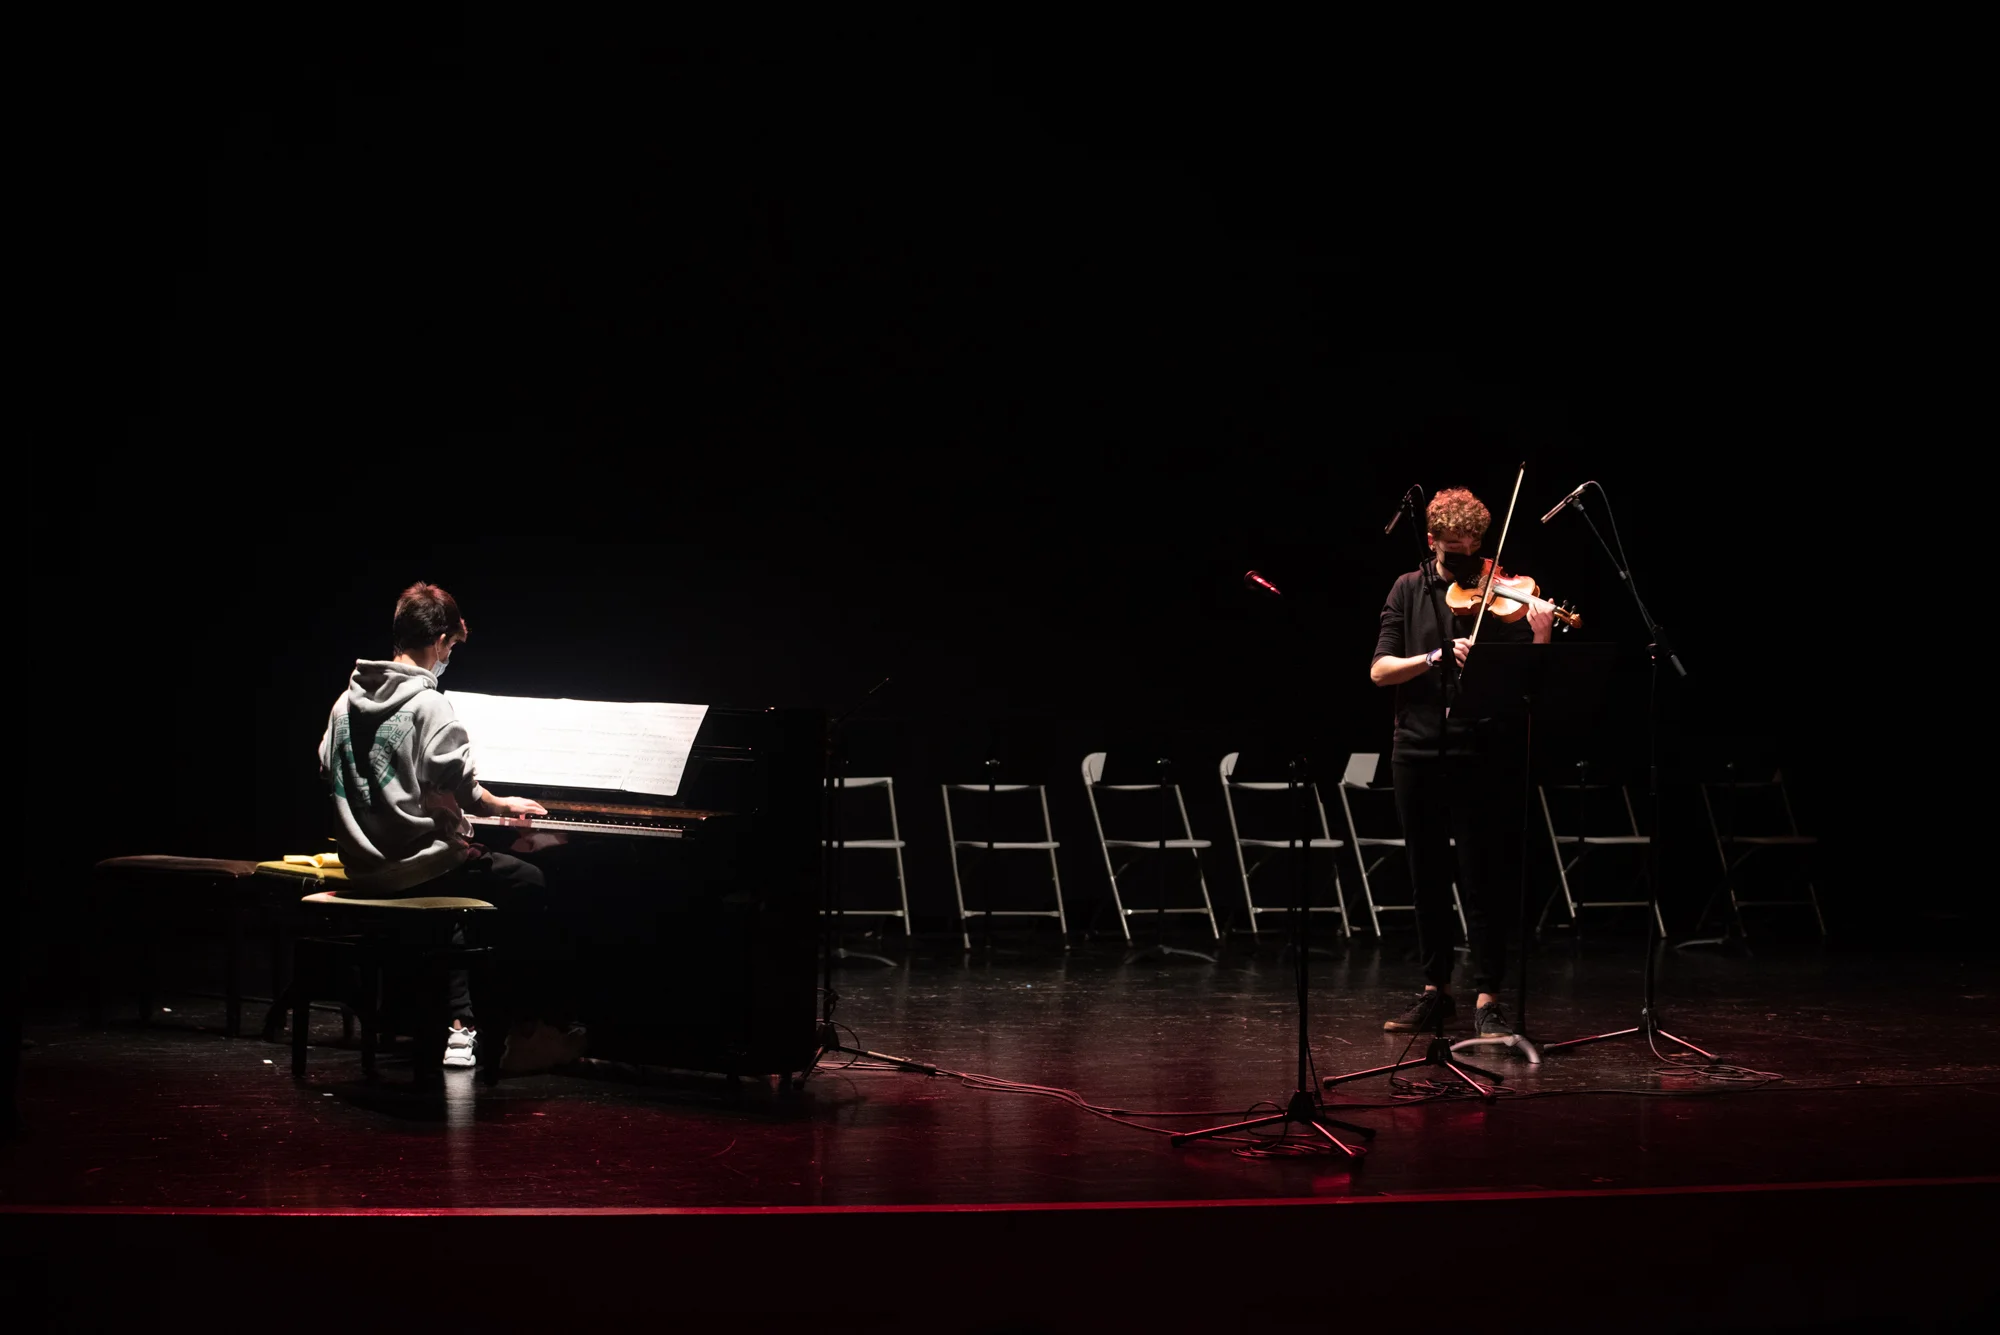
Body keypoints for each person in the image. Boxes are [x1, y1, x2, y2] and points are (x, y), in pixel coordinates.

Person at [318, 582, 582, 1074]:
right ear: (440, 641)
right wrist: (501, 804)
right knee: (530, 882)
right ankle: (521, 1028)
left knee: (461, 902)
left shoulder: (343, 704)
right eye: (452, 648)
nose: (448, 659)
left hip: (363, 868)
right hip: (416, 869)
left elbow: (328, 770)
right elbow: (464, 789)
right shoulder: (430, 704)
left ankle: (456, 1020)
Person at [1369, 488, 1552, 1036]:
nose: (1467, 562)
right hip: (1417, 746)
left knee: (1483, 876)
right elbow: (1380, 670)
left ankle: (1488, 997)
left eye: (1474, 549)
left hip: (1482, 747)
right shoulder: (1407, 588)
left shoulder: (1501, 591)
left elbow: (1530, 681)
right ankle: (1436, 992)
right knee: (1426, 876)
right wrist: (1433, 656)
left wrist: (1541, 635)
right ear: (1432, 542)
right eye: (1454, 552)